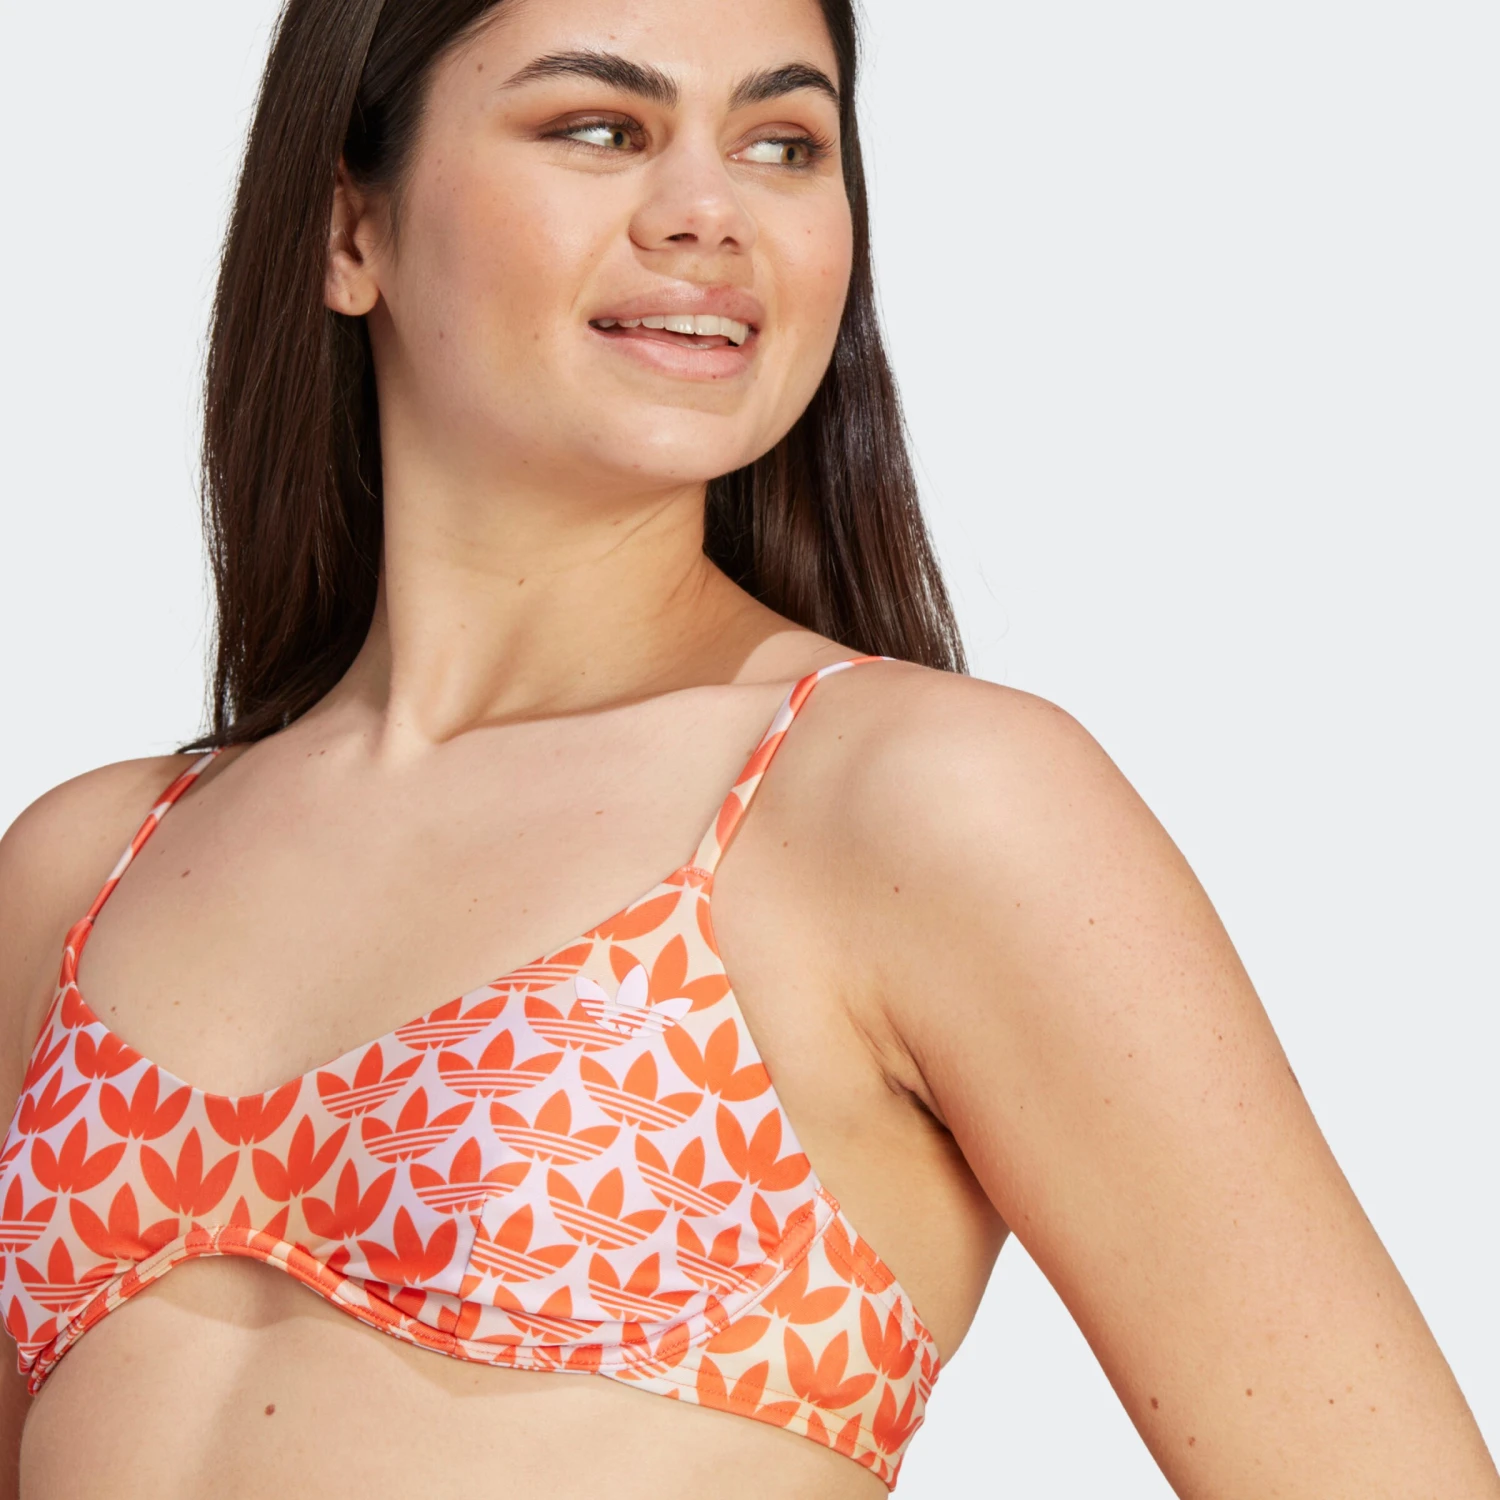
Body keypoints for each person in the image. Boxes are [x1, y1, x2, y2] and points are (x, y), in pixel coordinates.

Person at [0, 0, 1493, 1494]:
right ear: (350, 230)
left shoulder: (915, 804)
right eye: (601, 128)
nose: (710, 212)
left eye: (784, 144)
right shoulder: (85, 869)